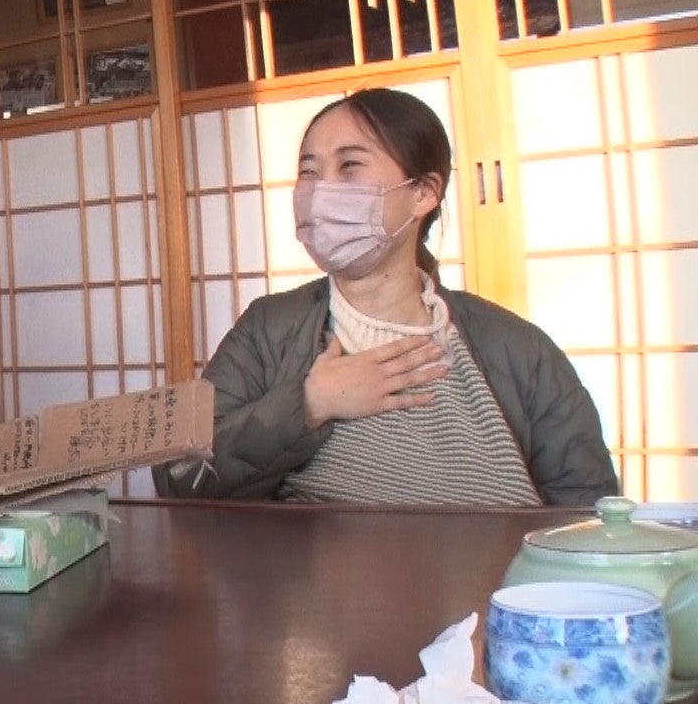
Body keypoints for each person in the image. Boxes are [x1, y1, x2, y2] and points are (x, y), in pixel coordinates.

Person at [158, 87, 617, 505]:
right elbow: (179, 474)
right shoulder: (268, 328)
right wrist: (309, 404)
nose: (319, 192)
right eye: (309, 171)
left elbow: (585, 514)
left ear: (423, 193)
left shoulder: (519, 349)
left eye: (349, 167)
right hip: (314, 574)